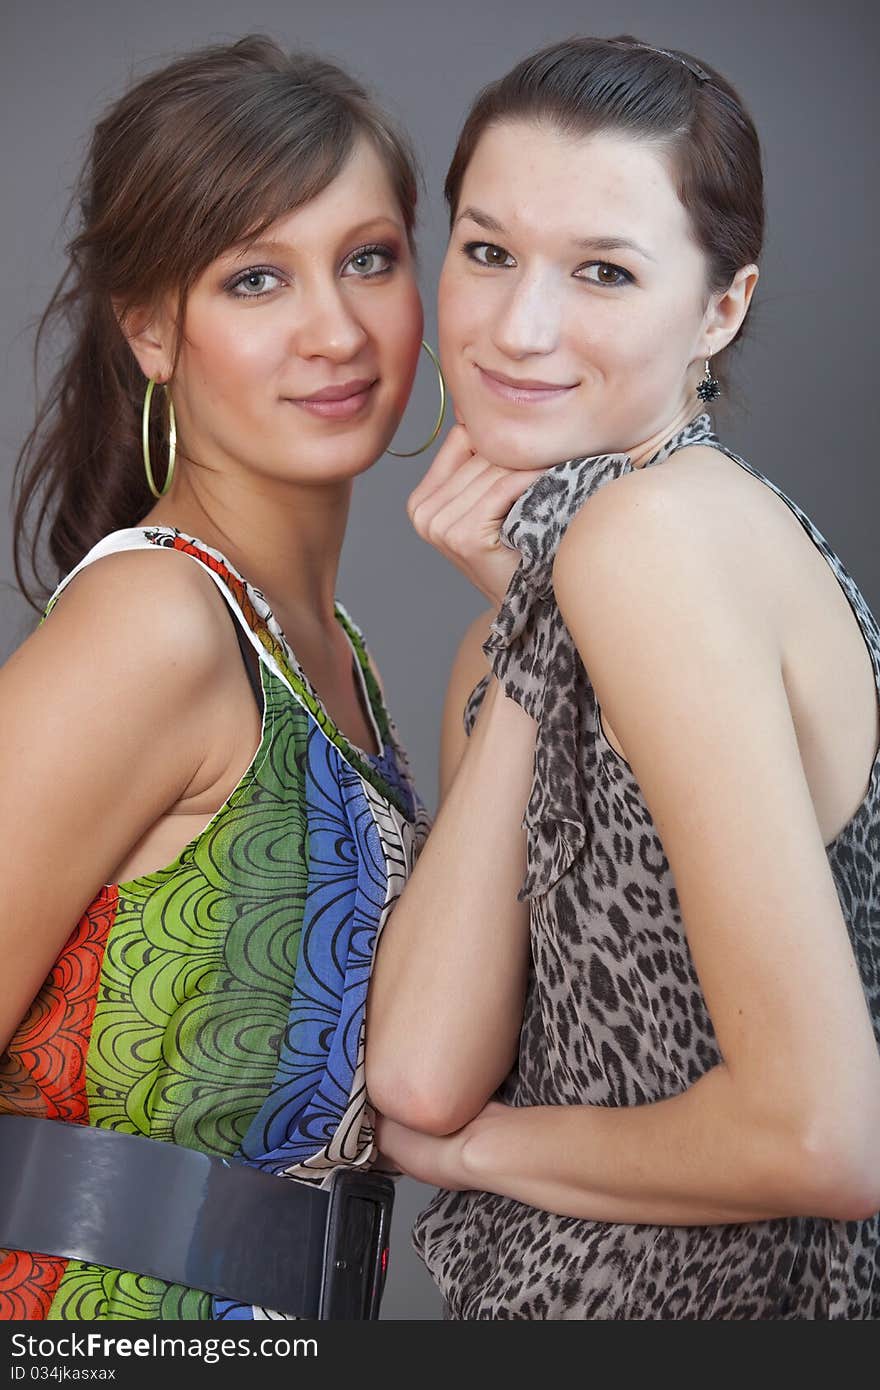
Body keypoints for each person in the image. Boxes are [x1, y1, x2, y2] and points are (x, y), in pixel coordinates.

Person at [366, 35, 880, 1319]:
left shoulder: (654, 540)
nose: (517, 326)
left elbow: (824, 1134)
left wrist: (486, 1158)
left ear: (721, 308)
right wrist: (533, 613)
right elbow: (422, 1071)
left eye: (603, 270)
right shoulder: (559, 601)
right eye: (487, 251)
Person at [0, 35, 431, 1321]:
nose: (336, 328)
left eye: (369, 257)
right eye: (256, 278)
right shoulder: (158, 621)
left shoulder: (327, 649)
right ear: (149, 328)